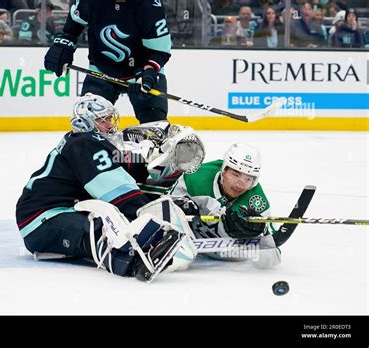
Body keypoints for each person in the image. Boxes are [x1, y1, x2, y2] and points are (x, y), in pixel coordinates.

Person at [15, 94, 199, 281]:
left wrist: (156, 161)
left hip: (56, 213)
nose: (110, 125)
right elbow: (119, 191)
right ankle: (132, 261)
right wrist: (150, 213)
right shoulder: (84, 143)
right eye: (103, 120)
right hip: (41, 220)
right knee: (106, 227)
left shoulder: (89, 143)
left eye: (110, 118)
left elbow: (126, 166)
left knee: (119, 218)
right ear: (85, 122)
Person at [43, 0, 172, 124]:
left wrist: (150, 70)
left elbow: (160, 50)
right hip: (101, 69)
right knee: (88, 125)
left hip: (141, 71)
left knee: (155, 124)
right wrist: (64, 43)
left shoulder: (150, 4)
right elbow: (75, 22)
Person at [169, 143, 281, 268]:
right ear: (224, 170)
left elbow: (273, 259)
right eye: (235, 175)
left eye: (248, 179)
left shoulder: (257, 202)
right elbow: (163, 210)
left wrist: (258, 234)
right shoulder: (195, 177)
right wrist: (181, 207)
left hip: (230, 262)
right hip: (190, 250)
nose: (240, 184)